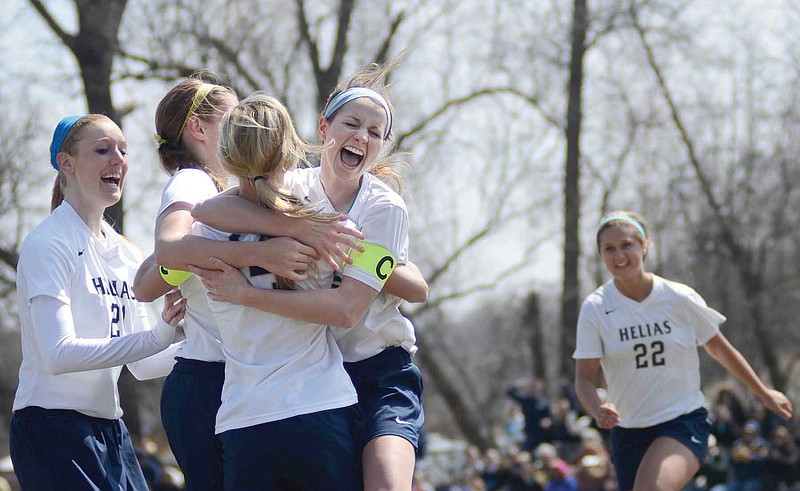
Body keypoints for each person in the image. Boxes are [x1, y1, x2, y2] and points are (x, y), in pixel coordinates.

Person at [190, 58, 428, 490]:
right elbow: (209, 209)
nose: (362, 137)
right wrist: (298, 228)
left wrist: (246, 293)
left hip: (379, 371)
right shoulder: (295, 190)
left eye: (375, 133)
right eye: (352, 124)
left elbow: (348, 308)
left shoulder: (382, 208)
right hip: (323, 371)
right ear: (324, 130)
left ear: (381, 147)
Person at [132, 75, 364, 491]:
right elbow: (161, 260)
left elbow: (187, 238)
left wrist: (247, 273)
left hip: (243, 410)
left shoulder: (210, 225)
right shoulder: (328, 221)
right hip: (254, 392)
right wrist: (264, 253)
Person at [10, 114, 185, 490]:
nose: (118, 160)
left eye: (123, 150)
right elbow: (59, 355)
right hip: (51, 428)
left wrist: (212, 346)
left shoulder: (126, 253)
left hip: (111, 430)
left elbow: (143, 363)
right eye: (103, 150)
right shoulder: (49, 243)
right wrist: (157, 335)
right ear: (66, 163)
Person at [573, 211, 793, 491]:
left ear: (644, 246)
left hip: (682, 422)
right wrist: (597, 409)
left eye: (627, 245)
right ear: (601, 255)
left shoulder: (677, 297)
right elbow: (584, 379)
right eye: (609, 249)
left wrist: (763, 393)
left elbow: (721, 350)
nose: (619, 255)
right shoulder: (595, 308)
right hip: (628, 432)